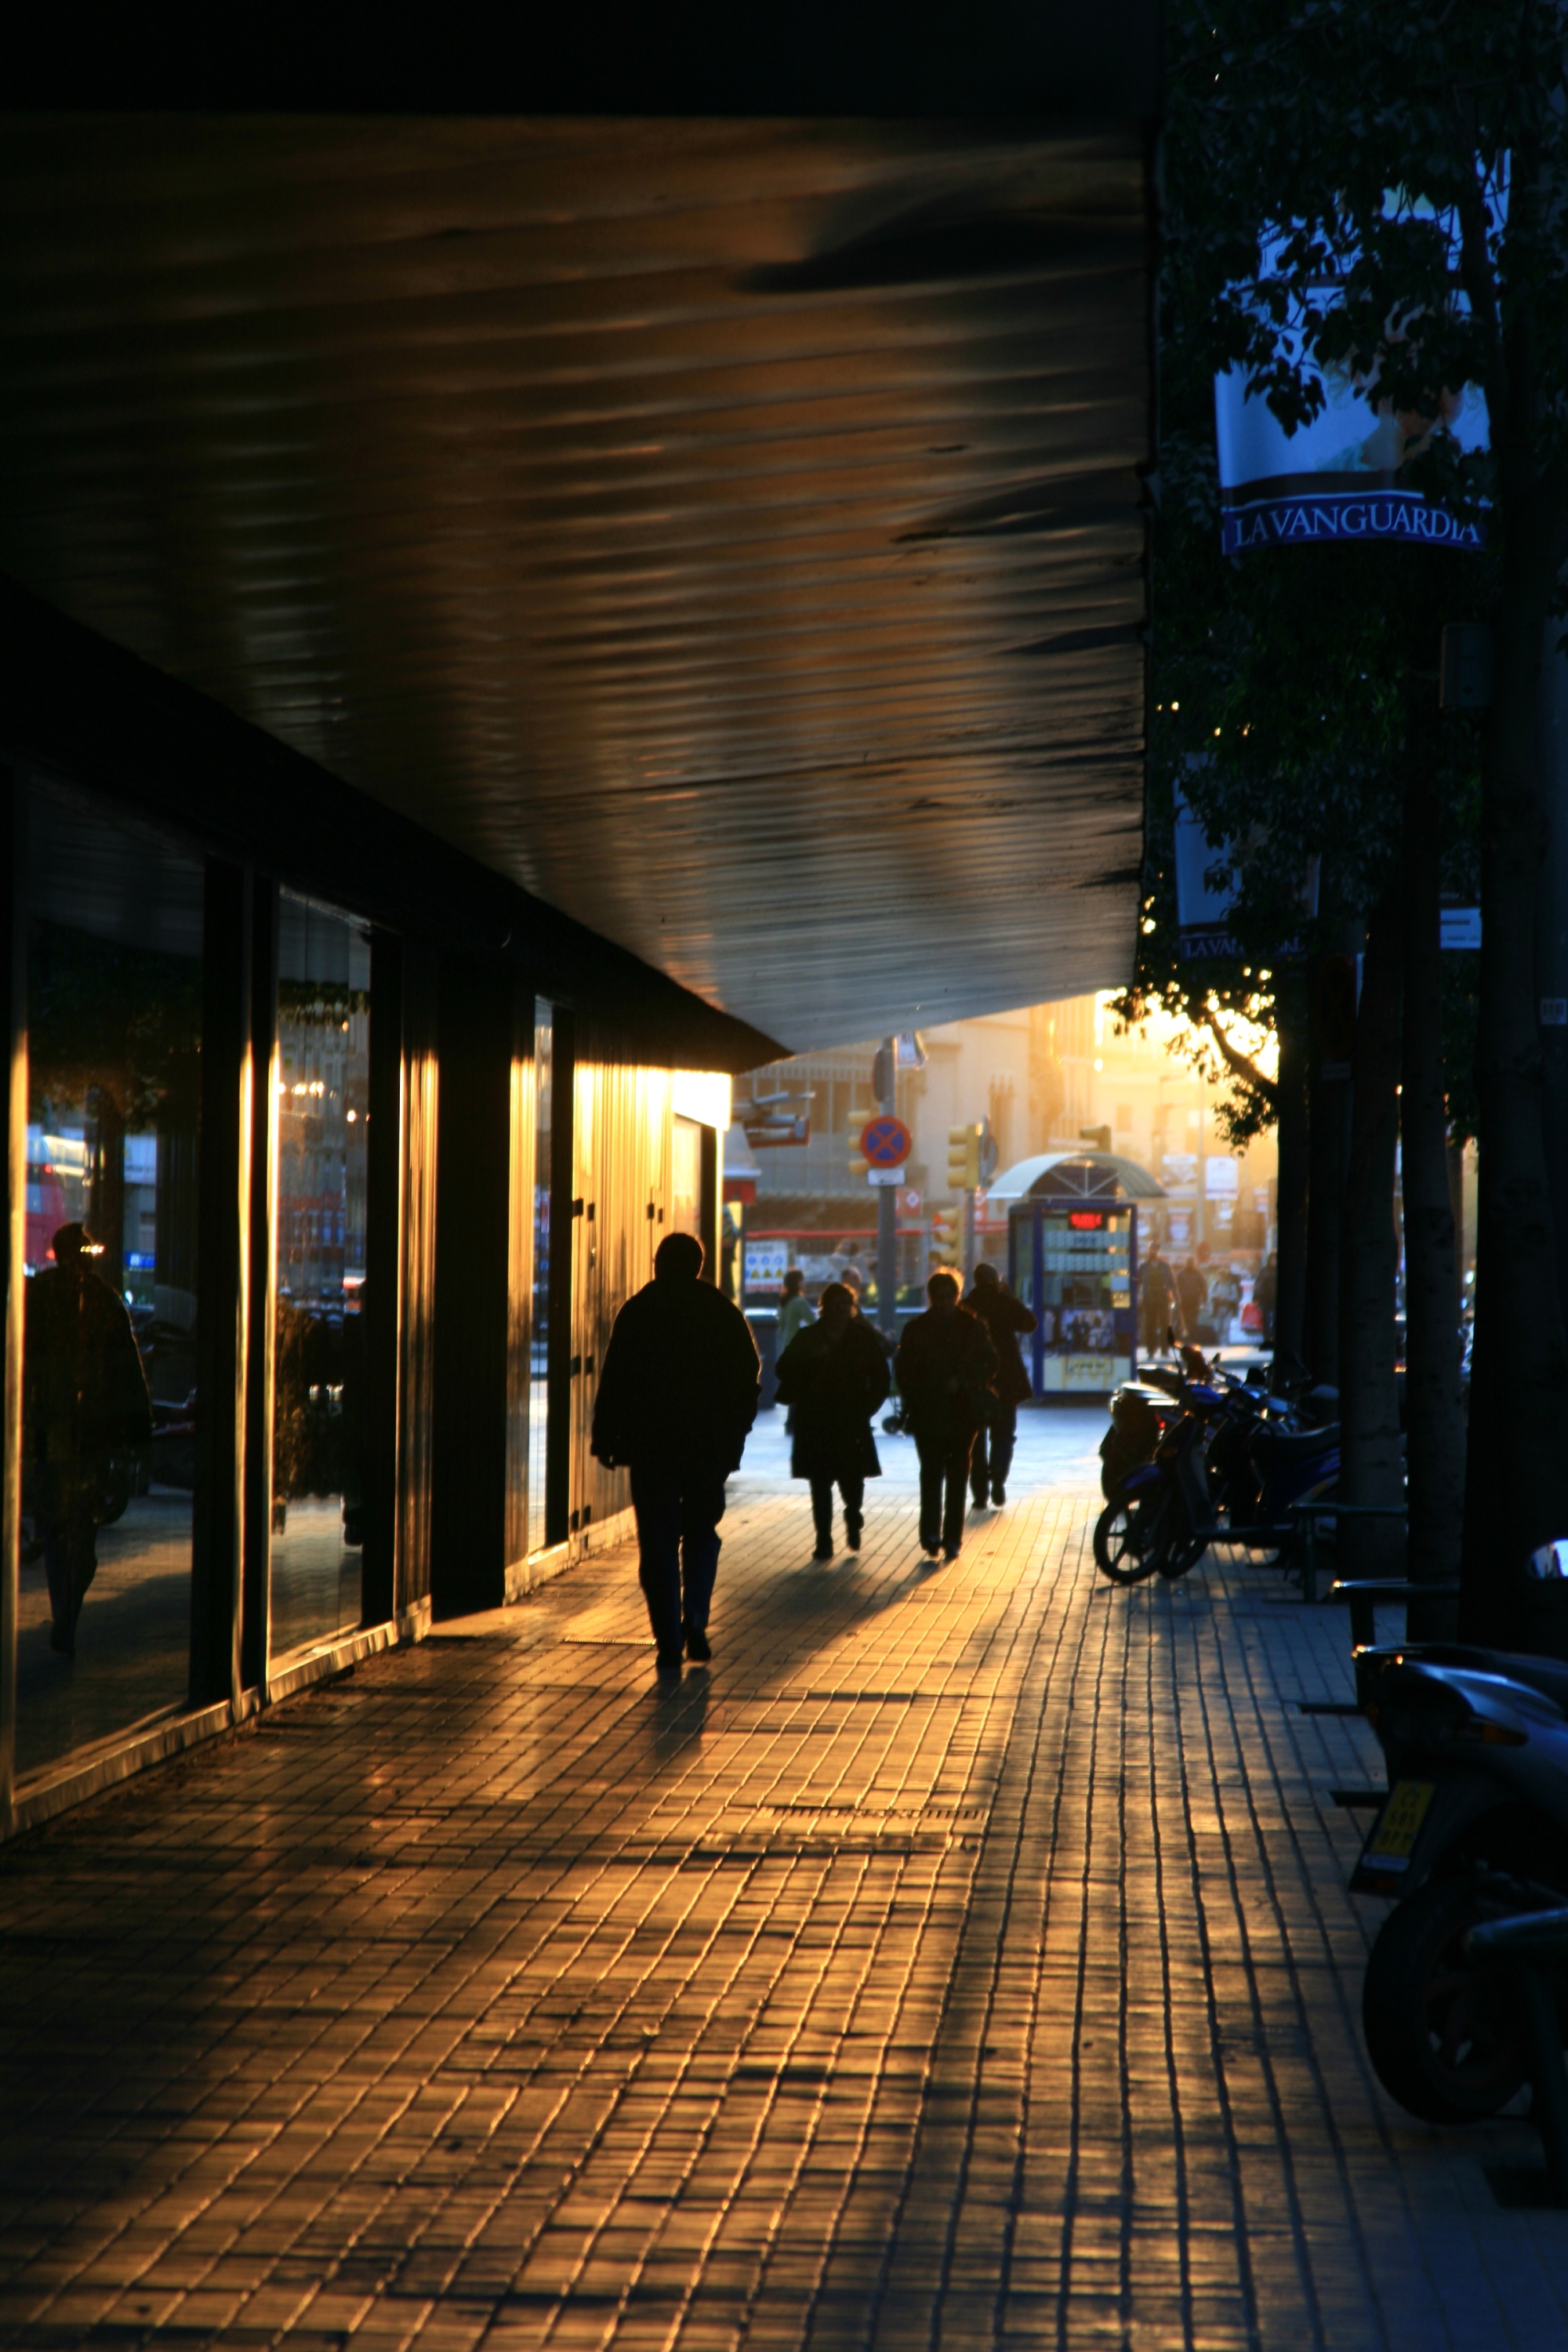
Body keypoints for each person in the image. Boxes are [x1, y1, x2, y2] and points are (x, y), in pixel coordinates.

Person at [591, 1231, 760, 1676]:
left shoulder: (639, 1310)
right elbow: (748, 1378)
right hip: (708, 1448)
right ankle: (696, 1619)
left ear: (659, 1263)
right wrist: (735, 1434)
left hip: (652, 1448)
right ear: (699, 1266)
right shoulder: (722, 1311)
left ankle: (668, 1640)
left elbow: (615, 1378)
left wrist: (605, 1437)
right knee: (702, 1533)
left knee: (658, 1543)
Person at [24, 1221, 153, 1657]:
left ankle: (65, 1611)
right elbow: (127, 1370)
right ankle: (66, 1612)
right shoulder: (100, 1301)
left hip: (63, 1431)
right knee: (74, 1531)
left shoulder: (45, 1297)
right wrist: (137, 1429)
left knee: (62, 1530)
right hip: (80, 1433)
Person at [775, 1281, 890, 1559]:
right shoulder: (809, 1337)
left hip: (849, 1417)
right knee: (820, 1482)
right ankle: (824, 1540)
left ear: (852, 1307)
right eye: (834, 1303)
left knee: (852, 1477)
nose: (840, 1309)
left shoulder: (862, 1337)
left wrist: (867, 1408)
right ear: (823, 1307)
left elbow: (881, 1378)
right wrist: (809, 1360)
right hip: (817, 1418)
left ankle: (852, 1513)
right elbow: (782, 1368)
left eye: (845, 1303)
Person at [895, 1270, 998, 1561]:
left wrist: (961, 1381)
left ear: (957, 1296)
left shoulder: (970, 1326)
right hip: (931, 1411)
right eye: (938, 1297)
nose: (943, 1302)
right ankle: (935, 1534)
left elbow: (990, 1362)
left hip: (959, 1411)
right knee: (934, 1473)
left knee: (954, 1474)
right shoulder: (920, 1328)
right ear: (931, 1298)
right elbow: (903, 1371)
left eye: (948, 1296)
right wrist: (920, 1392)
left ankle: (949, 1537)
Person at [964, 1261, 1037, 1508]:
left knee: (976, 1439)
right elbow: (1030, 1323)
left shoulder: (968, 1305)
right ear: (996, 1280)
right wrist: (1011, 1298)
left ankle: (979, 1494)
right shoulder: (1005, 1302)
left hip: (977, 1381)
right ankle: (998, 1475)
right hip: (1007, 1379)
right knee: (1004, 1433)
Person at [1138, 1243, 1180, 1352]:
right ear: (1148, 1251)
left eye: (1156, 1249)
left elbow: (1172, 1283)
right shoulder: (1143, 1266)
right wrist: (1136, 1297)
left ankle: (1164, 1350)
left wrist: (1176, 1298)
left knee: (1165, 1325)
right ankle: (1151, 1350)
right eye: (1151, 1249)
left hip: (1163, 1299)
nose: (1153, 1251)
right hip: (1149, 1300)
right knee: (1150, 1326)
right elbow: (1137, 1283)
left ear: (1158, 1251)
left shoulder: (1165, 1266)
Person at [1175, 1255, 1208, 1345]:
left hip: (1193, 1300)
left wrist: (1204, 1299)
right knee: (1186, 1321)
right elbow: (1176, 1287)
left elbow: (1203, 1287)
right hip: (1185, 1300)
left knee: (1191, 1321)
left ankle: (1191, 1339)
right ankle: (1189, 1339)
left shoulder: (1197, 1274)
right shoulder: (1182, 1274)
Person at [1252, 1250, 1279, 1346]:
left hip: (1276, 1298)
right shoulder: (1264, 1271)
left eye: (1275, 1259)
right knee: (1266, 1319)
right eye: (1272, 1259)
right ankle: (1267, 1339)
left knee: (1276, 1319)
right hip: (1265, 1298)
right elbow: (1258, 1285)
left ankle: (1274, 1337)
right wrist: (1255, 1297)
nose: (1274, 1261)